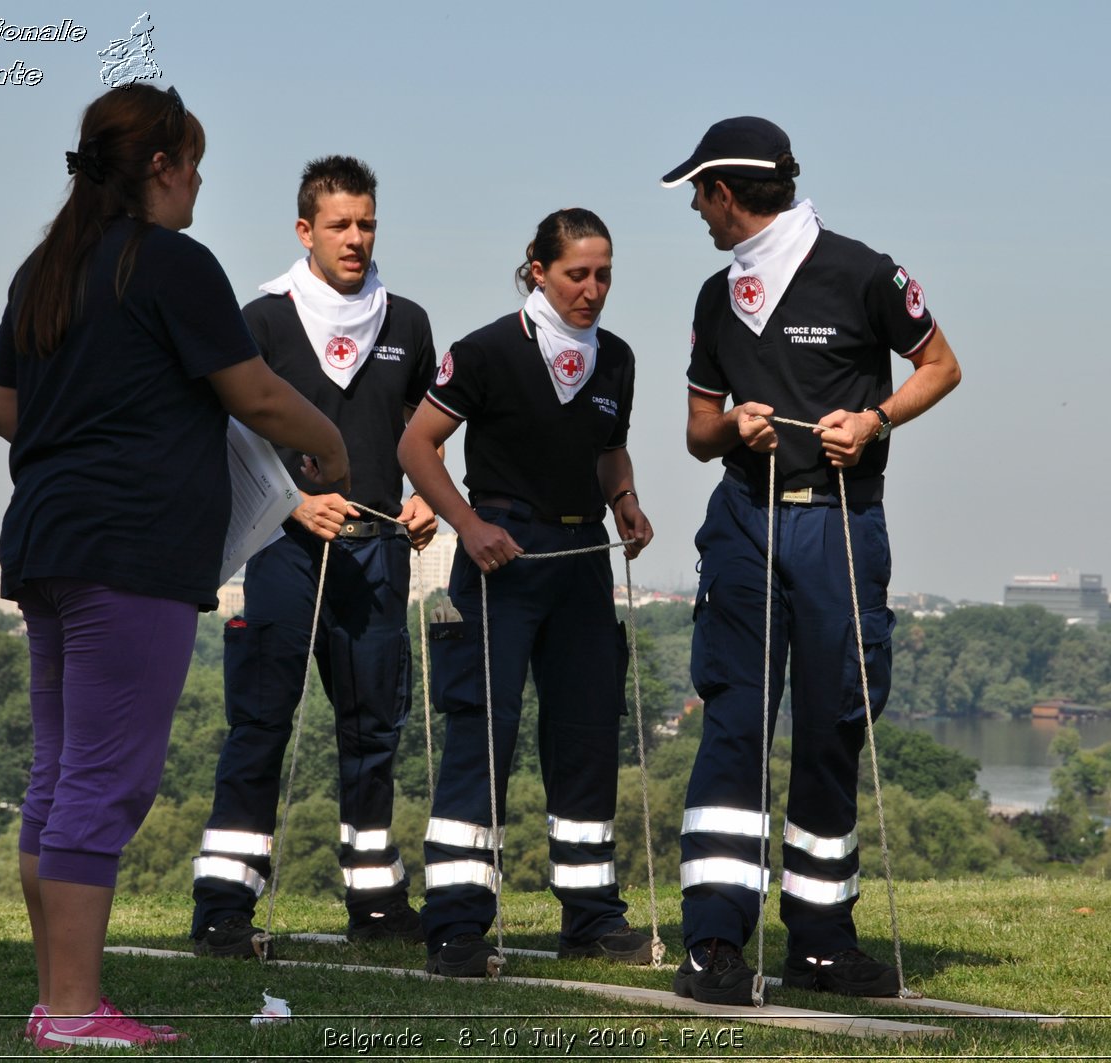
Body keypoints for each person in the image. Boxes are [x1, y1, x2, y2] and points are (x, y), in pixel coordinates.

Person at [0, 83, 347, 1049]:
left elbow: (1, 409)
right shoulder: (170, 263)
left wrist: (91, 417)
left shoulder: (46, 268)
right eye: (191, 163)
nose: (197, 182)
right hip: (130, 549)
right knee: (106, 782)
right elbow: (257, 394)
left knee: (60, 774)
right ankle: (71, 1010)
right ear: (159, 166)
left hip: (46, 538)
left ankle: (57, 996)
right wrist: (332, 445)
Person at [659, 117, 962, 1004]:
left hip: (837, 524)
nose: (697, 212)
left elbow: (941, 365)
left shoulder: (865, 271)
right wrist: (732, 426)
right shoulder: (716, 298)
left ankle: (821, 942)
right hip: (745, 523)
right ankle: (713, 943)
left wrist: (876, 420)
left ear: (725, 191)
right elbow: (695, 432)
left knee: (832, 726)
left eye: (699, 195)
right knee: (734, 729)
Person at [187, 156, 438, 958]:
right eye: (340, 224)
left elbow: (420, 433)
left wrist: (429, 492)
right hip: (283, 553)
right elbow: (227, 433)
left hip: (378, 557)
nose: (356, 238)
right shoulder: (260, 320)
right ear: (305, 230)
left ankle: (375, 900)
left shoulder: (408, 322)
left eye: (367, 222)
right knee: (260, 724)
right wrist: (295, 502)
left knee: (373, 731)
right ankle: (224, 904)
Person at [397, 208, 656, 977]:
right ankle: (456, 925)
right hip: (499, 555)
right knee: (484, 736)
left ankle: (591, 915)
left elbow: (610, 450)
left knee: (585, 738)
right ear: (537, 269)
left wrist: (627, 501)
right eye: (577, 273)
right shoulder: (483, 350)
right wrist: (467, 524)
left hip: (581, 562)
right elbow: (416, 443)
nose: (593, 288)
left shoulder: (617, 359)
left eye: (604, 273)